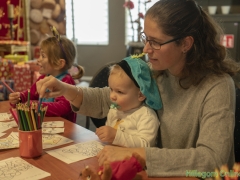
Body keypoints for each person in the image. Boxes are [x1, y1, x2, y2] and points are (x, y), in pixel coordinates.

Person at [36, 0, 240, 177]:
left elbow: (212, 159)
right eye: (146, 38)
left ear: (186, 43)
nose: (146, 49)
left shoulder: (217, 86)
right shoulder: (157, 72)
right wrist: (65, 89)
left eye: (156, 42)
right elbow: (108, 98)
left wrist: (138, 153)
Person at [9, 26, 84, 123]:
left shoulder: (66, 82)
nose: (38, 59)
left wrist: (37, 106)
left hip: (64, 132)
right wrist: (19, 97)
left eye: (43, 56)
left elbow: (63, 107)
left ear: (59, 63)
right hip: (45, 127)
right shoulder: (43, 78)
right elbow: (31, 94)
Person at [95, 55, 162, 147]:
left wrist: (116, 136)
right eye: (111, 89)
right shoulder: (114, 111)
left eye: (120, 92)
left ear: (141, 95)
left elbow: (146, 145)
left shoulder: (146, 116)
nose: (112, 96)